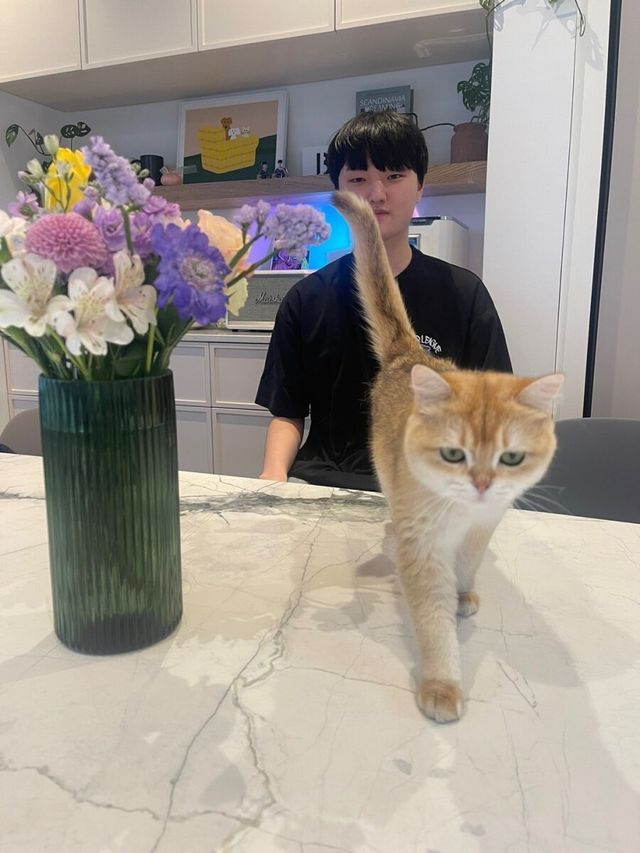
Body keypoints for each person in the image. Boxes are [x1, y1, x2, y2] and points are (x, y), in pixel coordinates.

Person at [255, 110, 512, 491]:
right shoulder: (305, 300)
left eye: (394, 176)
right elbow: (287, 414)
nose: (376, 194)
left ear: (420, 186)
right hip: (323, 482)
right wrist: (272, 478)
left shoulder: (463, 294)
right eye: (358, 179)